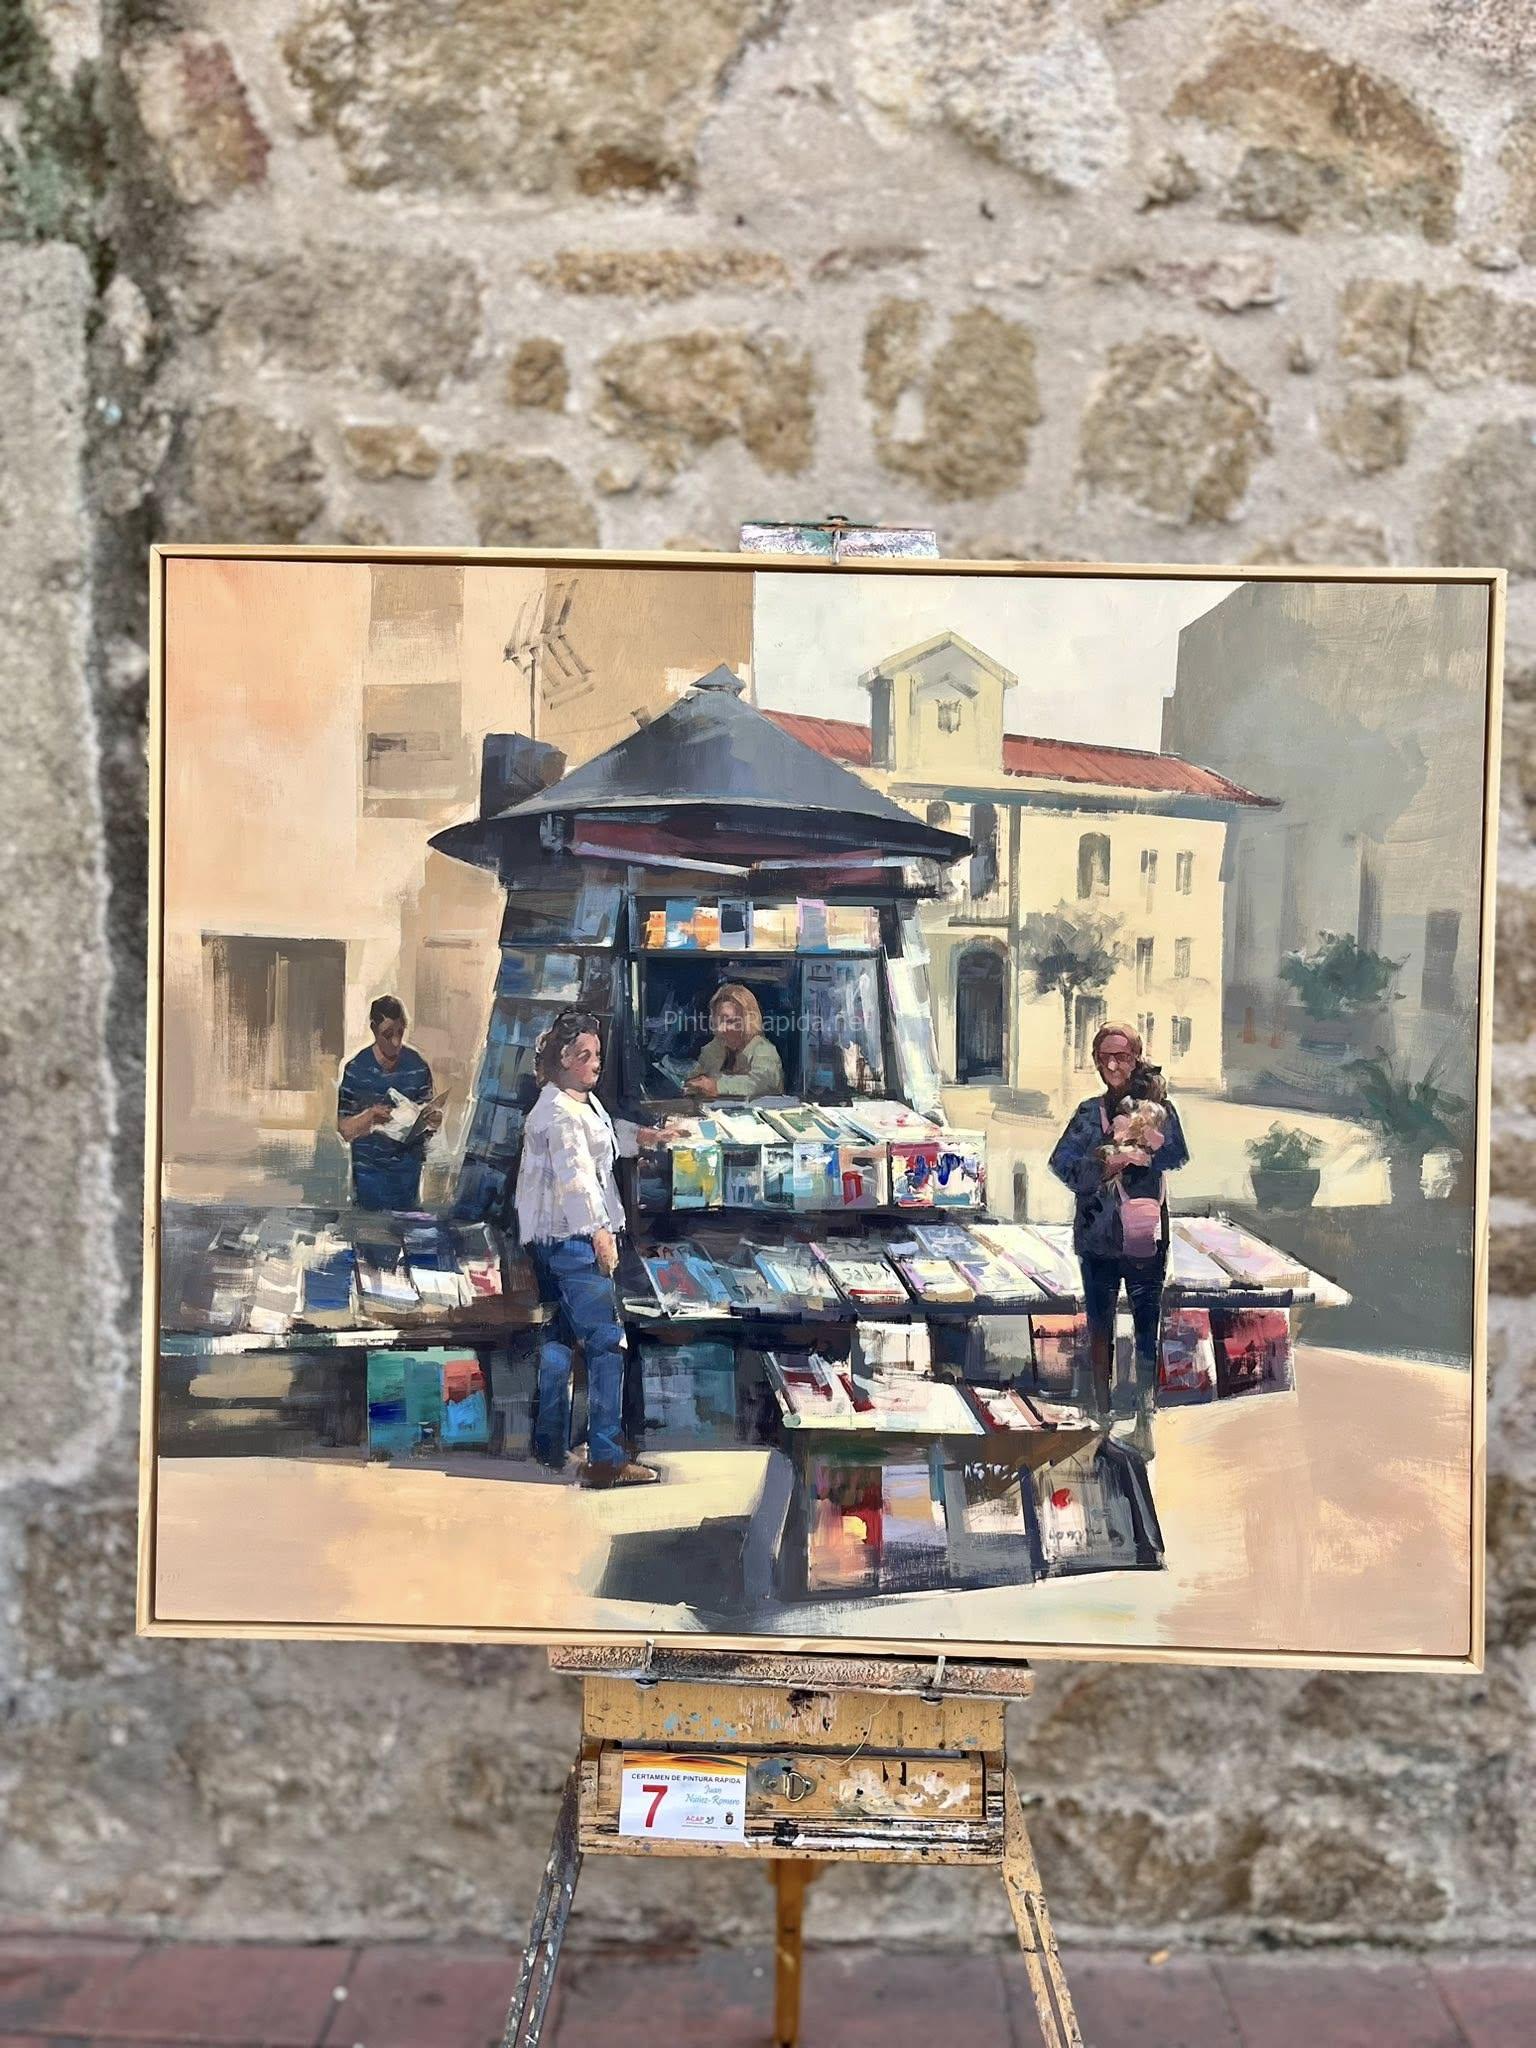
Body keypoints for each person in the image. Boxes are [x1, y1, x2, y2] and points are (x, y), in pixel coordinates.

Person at [516, 1007, 676, 1489]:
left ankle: (549, 1443)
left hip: (550, 1240)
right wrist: (600, 1235)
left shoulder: (572, 1102)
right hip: (572, 1240)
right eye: (584, 1056)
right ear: (563, 1058)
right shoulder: (559, 1114)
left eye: (597, 1055)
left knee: (559, 1338)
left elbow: (604, 1138)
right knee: (607, 1341)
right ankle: (605, 1456)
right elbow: (578, 1181)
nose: (595, 1064)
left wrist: (646, 1137)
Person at [1048, 1022, 1189, 1459]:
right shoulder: (1088, 1114)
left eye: (1122, 1056)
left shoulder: (1160, 1108)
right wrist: (1107, 1163)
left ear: (1136, 1059)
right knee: (1100, 1328)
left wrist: (1147, 1148)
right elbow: (1062, 1165)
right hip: (1098, 1238)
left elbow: (1178, 1154)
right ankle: (1102, 1420)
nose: (1113, 1065)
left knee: (1147, 1328)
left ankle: (1145, 1421)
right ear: (1095, 1061)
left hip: (1145, 1237)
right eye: (1105, 1057)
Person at [337, 996, 443, 1210]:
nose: (395, 1042)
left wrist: (433, 1121)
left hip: (408, 1181)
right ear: (373, 1029)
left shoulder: (418, 1067)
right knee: (369, 1229)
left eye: (400, 1033)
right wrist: (369, 1117)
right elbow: (345, 1130)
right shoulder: (356, 1070)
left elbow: (427, 1123)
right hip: (369, 1181)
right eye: (387, 1035)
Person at [682, 983, 785, 1102]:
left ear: (749, 1021)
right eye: (717, 1021)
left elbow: (761, 1084)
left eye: (730, 1021)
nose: (721, 1028)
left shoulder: (764, 1050)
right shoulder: (713, 1048)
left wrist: (717, 1086)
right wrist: (692, 1084)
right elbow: (697, 1075)